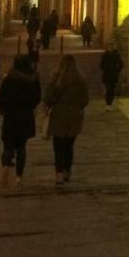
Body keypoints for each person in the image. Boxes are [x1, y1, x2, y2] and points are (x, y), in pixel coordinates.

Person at [44, 55, 89, 185]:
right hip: (73, 117)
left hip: (58, 116)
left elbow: (48, 97)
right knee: (69, 146)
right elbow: (85, 99)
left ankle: (58, 173)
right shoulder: (80, 79)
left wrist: (50, 104)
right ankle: (66, 171)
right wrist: (78, 107)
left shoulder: (56, 78)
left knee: (58, 146)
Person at [0, 55, 41, 187]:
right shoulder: (32, 79)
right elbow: (37, 97)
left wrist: (4, 110)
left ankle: (5, 166)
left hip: (10, 116)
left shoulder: (9, 78)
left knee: (8, 144)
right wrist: (30, 107)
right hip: (25, 116)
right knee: (21, 146)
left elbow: (1, 97)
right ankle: (18, 177)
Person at [100, 44, 123, 110]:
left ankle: (109, 103)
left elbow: (121, 64)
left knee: (111, 90)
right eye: (109, 47)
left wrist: (117, 70)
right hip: (107, 75)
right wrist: (105, 69)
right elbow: (101, 65)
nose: (110, 48)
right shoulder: (105, 55)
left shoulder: (116, 55)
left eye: (111, 47)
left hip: (113, 76)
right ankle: (108, 103)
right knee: (108, 89)